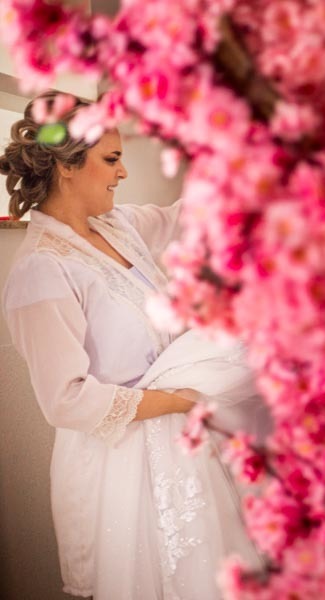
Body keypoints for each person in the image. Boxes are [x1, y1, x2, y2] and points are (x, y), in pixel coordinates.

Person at [1, 91, 261, 598]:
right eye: (112, 159)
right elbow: (66, 399)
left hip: (179, 453)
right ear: (67, 167)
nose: (121, 174)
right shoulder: (42, 271)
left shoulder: (116, 228)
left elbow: (184, 216)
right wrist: (184, 400)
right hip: (118, 472)